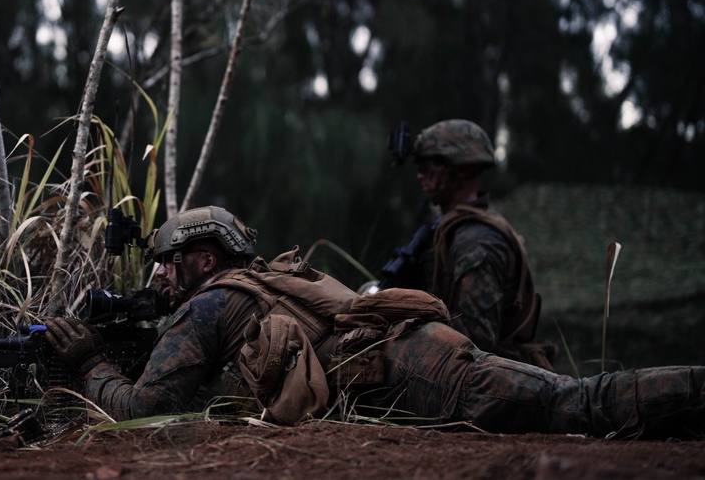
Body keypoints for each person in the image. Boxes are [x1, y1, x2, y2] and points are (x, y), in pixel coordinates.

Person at [44, 205, 705, 439]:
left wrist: (90, 363)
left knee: (576, 404)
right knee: (571, 402)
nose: (157, 275)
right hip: (416, 355)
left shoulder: (211, 301)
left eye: (166, 263)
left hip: (416, 368)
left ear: (205, 258)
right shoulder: (265, 280)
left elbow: (143, 407)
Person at [378, 119, 554, 369]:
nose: (420, 174)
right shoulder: (447, 228)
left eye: (430, 166)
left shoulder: (476, 241)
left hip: (496, 379)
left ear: (463, 171)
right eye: (420, 166)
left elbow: (475, 341)